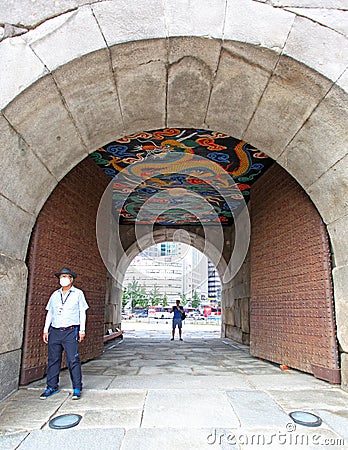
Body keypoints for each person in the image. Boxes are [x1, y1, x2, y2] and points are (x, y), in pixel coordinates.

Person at [40, 267, 89, 400]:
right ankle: (51, 386)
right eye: (61, 277)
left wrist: (82, 330)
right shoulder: (55, 295)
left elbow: (82, 312)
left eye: (66, 276)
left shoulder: (78, 294)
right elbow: (50, 312)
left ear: (71, 279)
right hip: (55, 331)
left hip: (71, 331)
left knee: (73, 359)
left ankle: (77, 387)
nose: (63, 279)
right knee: (53, 359)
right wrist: (46, 329)